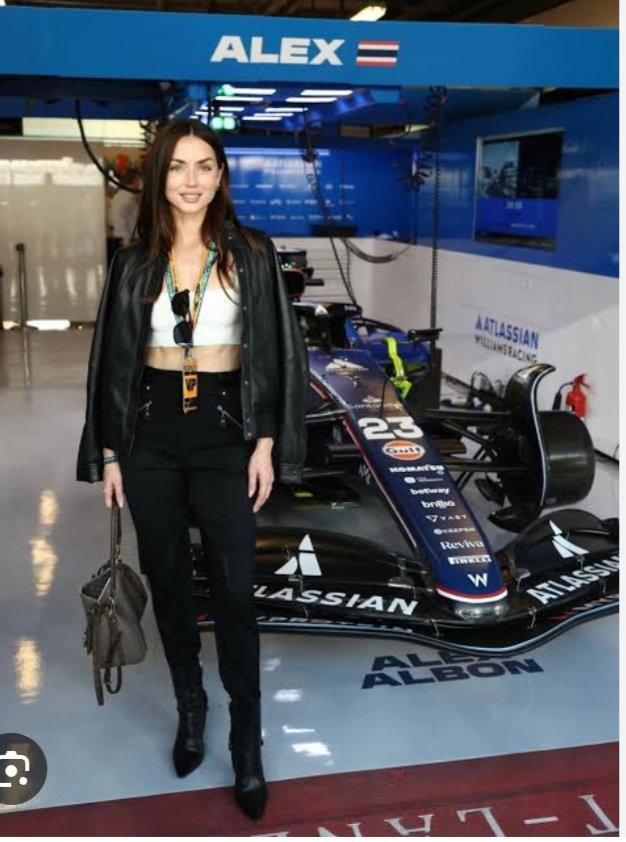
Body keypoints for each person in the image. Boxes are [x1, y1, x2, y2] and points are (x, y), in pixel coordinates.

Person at [76, 119, 308, 821]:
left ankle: (246, 739)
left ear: (221, 175)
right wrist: (110, 452)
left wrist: (265, 442)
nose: (191, 180)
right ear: (159, 176)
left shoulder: (252, 252)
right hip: (150, 433)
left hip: (226, 432)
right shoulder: (133, 261)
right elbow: (111, 363)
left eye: (205, 165)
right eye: (178, 166)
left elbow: (277, 352)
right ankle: (191, 708)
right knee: (170, 583)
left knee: (236, 590)